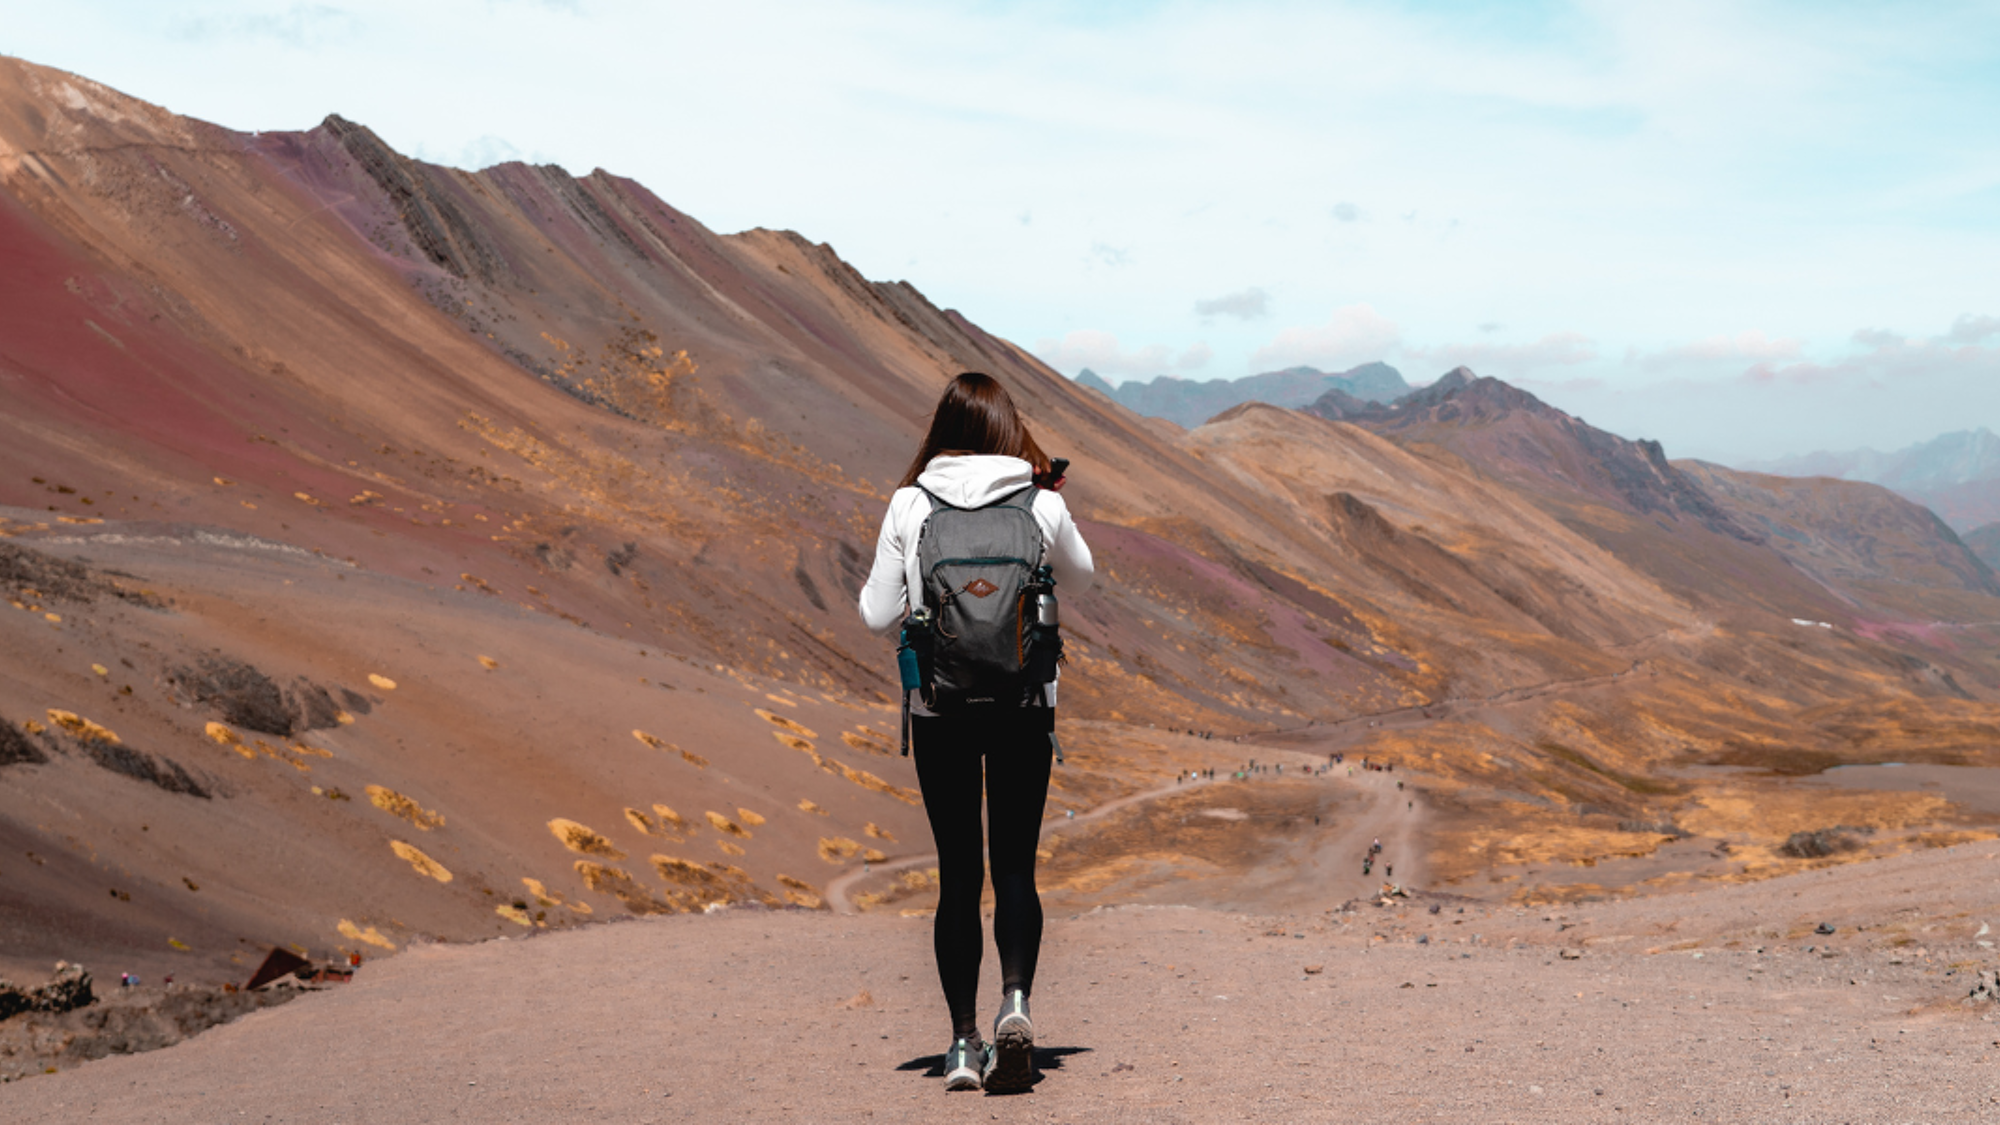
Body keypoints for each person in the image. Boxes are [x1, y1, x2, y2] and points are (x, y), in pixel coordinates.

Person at [859, 372, 1094, 1094]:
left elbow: (875, 613)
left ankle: (962, 1043)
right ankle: (1016, 1003)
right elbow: (1083, 578)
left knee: (958, 874)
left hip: (941, 709)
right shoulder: (1040, 501)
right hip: (1025, 706)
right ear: (1006, 430)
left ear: (942, 429)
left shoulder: (910, 501)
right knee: (1016, 866)